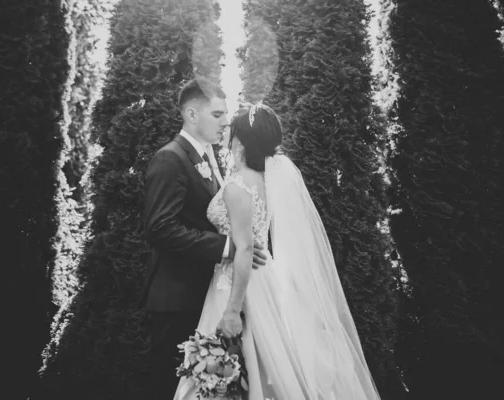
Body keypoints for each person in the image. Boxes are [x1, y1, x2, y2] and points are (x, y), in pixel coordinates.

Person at [173, 103, 381, 399]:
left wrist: (232, 310)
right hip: (263, 279)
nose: (226, 131)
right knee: (264, 365)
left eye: (230, 126)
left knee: (239, 362)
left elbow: (244, 248)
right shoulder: (266, 181)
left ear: (241, 140)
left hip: (237, 285)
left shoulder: (237, 187)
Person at [141, 79, 268, 398]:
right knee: (171, 387)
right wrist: (229, 248)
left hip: (205, 295)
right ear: (191, 115)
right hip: (177, 298)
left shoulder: (211, 158)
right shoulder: (170, 159)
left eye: (225, 114)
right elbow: (160, 228)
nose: (225, 121)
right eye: (216, 114)